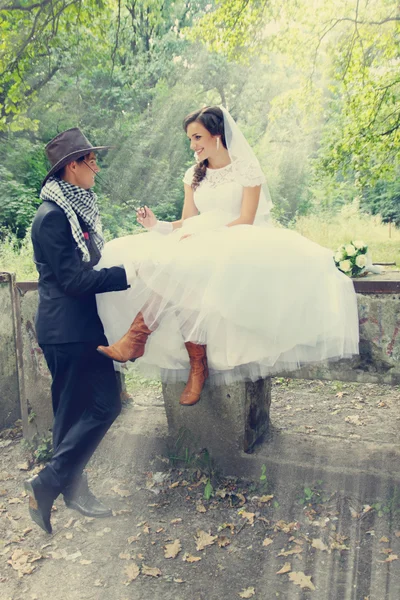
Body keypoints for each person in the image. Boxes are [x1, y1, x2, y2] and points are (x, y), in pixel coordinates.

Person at [96, 106, 359, 406]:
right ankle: (190, 362)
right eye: (190, 140)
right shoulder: (193, 175)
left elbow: (246, 218)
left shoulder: (246, 169)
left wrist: (207, 237)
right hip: (196, 238)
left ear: (218, 135)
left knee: (183, 267)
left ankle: (142, 339)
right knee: (169, 265)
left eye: (198, 137)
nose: (193, 145)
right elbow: (187, 220)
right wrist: (156, 225)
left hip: (236, 238)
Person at [25, 128, 136, 534]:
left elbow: (85, 265)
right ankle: (48, 483)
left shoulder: (75, 211)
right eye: (91, 160)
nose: (96, 167)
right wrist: (127, 274)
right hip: (68, 331)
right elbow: (73, 280)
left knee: (71, 415)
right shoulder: (53, 217)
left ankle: (70, 491)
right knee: (106, 405)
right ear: (72, 166)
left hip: (76, 329)